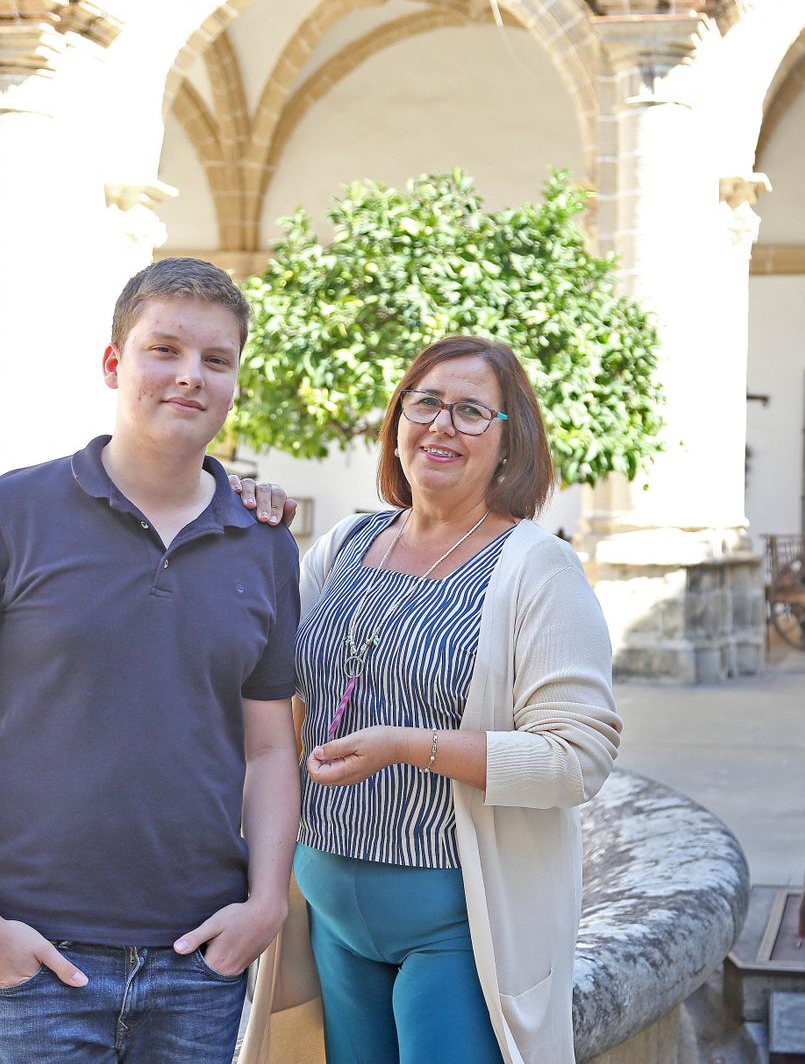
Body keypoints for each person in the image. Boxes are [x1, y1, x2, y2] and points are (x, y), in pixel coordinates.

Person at [0, 258, 301, 1063]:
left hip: (198, 965)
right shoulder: (10, 514)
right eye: (163, 350)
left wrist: (266, 903)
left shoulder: (264, 540)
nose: (189, 377)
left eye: (216, 361)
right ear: (114, 363)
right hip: (33, 960)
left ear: (235, 381)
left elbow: (270, 747)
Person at [240, 335, 621, 1064]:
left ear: (512, 445)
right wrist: (237, 528)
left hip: (457, 926)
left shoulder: (536, 569)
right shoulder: (346, 545)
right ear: (398, 421)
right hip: (328, 914)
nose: (443, 425)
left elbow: (578, 759)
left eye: (473, 412)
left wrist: (407, 747)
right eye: (426, 403)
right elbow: (258, 674)